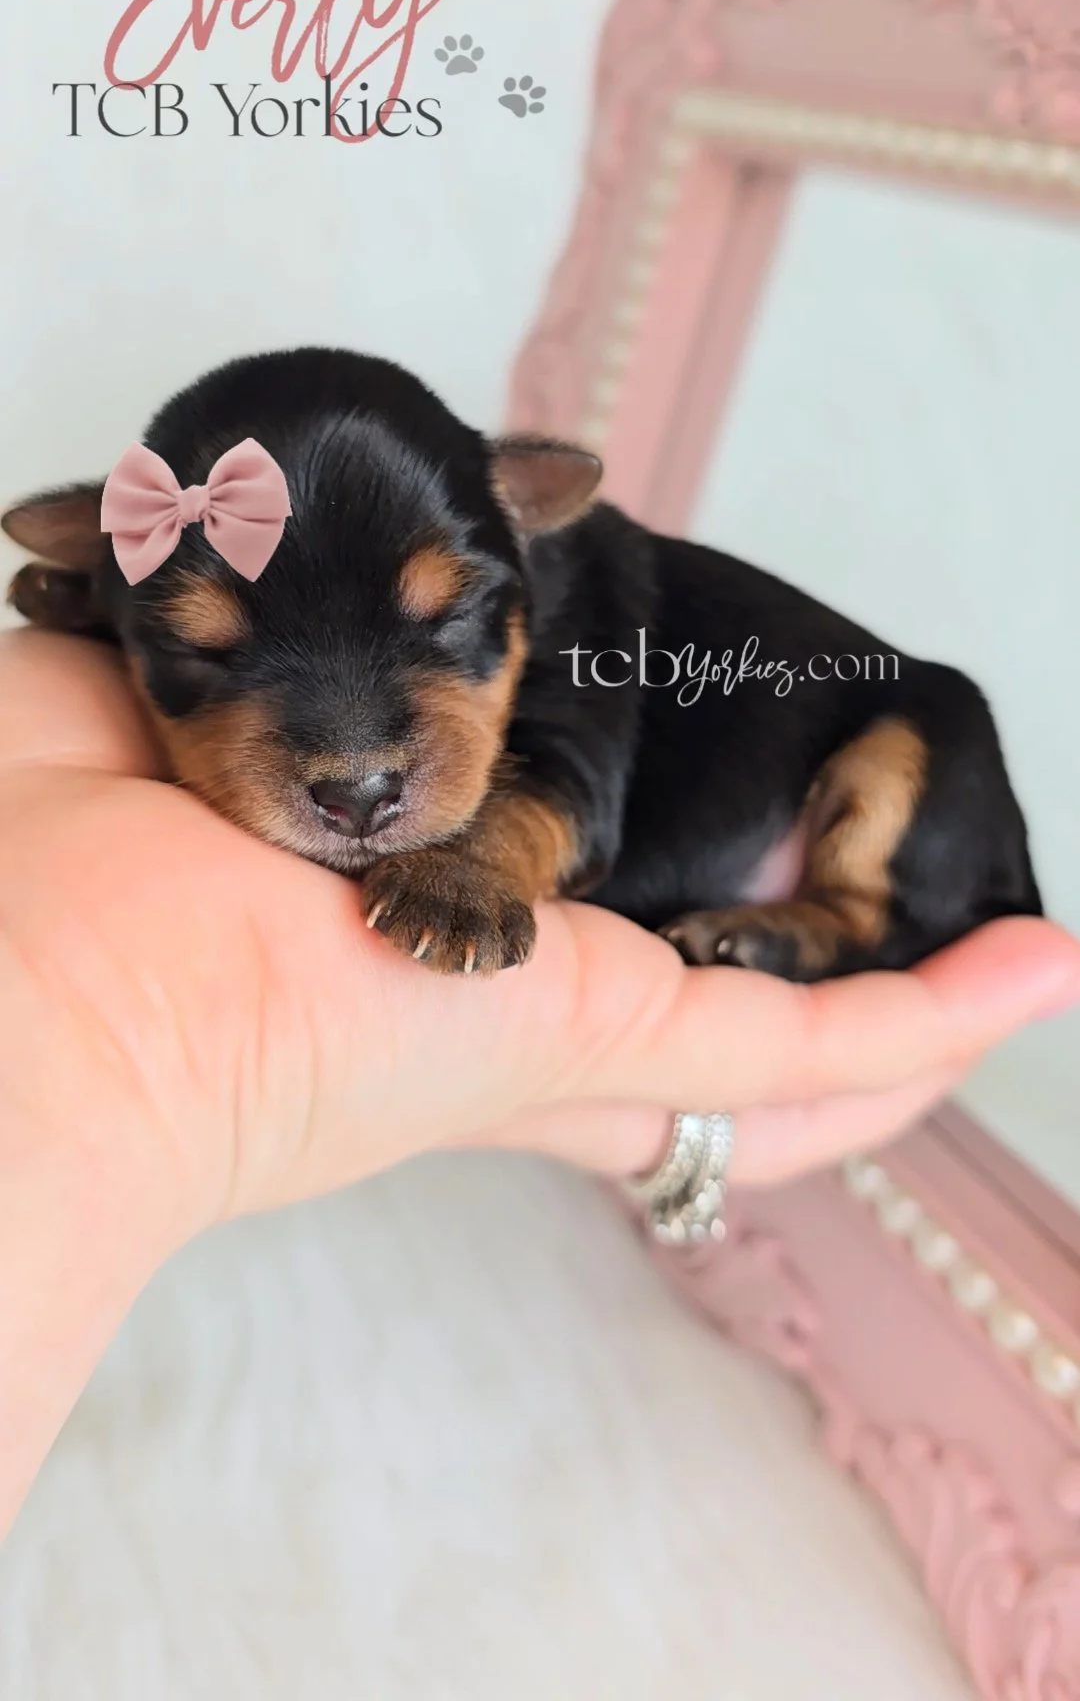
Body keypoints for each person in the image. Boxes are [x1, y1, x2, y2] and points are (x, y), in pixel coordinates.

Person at [2, 626, 1078, 1540]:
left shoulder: (588, 669)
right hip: (666, 868)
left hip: (859, 778)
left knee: (930, 723)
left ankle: (845, 921)